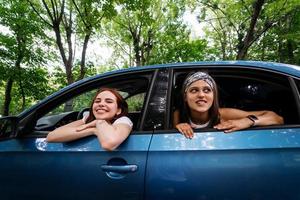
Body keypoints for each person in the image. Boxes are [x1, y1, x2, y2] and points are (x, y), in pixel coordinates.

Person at [174, 71, 284, 139]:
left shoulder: (224, 114)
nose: (201, 95)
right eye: (194, 90)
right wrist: (178, 128)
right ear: (185, 97)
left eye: (207, 90)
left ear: (213, 96)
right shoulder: (178, 115)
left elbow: (277, 118)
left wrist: (248, 121)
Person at [47, 88, 133, 151]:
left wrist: (99, 121)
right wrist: (92, 130)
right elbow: (51, 136)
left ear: (118, 110)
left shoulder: (123, 121)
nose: (101, 104)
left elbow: (109, 144)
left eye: (109, 101)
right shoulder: (88, 118)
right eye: (97, 101)